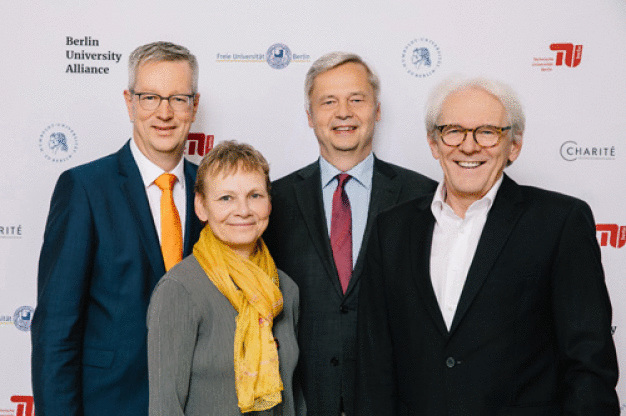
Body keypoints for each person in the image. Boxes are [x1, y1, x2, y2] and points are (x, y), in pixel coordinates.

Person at [355, 77, 619, 415]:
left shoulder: (560, 222)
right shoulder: (391, 229)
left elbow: (589, 365)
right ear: (434, 144)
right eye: (453, 131)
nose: (468, 146)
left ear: (514, 145)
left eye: (488, 132)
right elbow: (374, 366)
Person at [31, 41, 203, 416]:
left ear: (194, 105)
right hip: (111, 405)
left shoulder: (216, 193)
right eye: (150, 97)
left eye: (178, 98)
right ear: (129, 102)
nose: (164, 112)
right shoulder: (85, 189)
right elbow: (55, 332)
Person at [263, 52, 437, 416]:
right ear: (310, 116)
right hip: (301, 400)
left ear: (376, 110)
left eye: (356, 100)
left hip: (395, 399)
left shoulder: (425, 197)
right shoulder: (271, 201)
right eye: (329, 102)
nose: (344, 112)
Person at [147, 141, 303, 416]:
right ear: (201, 206)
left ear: (269, 202)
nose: (243, 210)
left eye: (255, 195)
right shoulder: (179, 289)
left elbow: (292, 399)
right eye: (226, 198)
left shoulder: (285, 289)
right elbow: (165, 407)